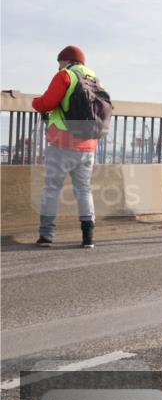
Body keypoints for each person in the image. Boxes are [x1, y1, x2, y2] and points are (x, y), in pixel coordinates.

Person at [32, 46, 100, 248]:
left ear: (66, 60)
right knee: (84, 190)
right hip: (88, 144)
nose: (58, 66)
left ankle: (47, 235)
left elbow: (46, 103)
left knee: (52, 189)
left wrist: (35, 102)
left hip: (62, 143)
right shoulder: (95, 79)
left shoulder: (65, 76)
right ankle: (88, 237)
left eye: (59, 62)